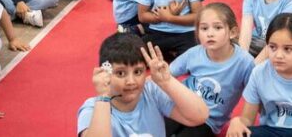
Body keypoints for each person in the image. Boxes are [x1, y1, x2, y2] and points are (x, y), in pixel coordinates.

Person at [78, 33, 209, 137]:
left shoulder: (150, 91)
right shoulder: (92, 108)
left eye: (138, 72)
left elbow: (199, 116)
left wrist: (167, 82)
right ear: (105, 73)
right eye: (120, 73)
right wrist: (103, 97)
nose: (131, 81)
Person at [169, 3, 255, 137]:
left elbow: (255, 94)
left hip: (207, 121)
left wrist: (242, 120)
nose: (210, 34)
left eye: (217, 27)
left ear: (232, 32)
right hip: (180, 106)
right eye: (204, 28)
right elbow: (168, 74)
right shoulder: (194, 53)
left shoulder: (244, 62)